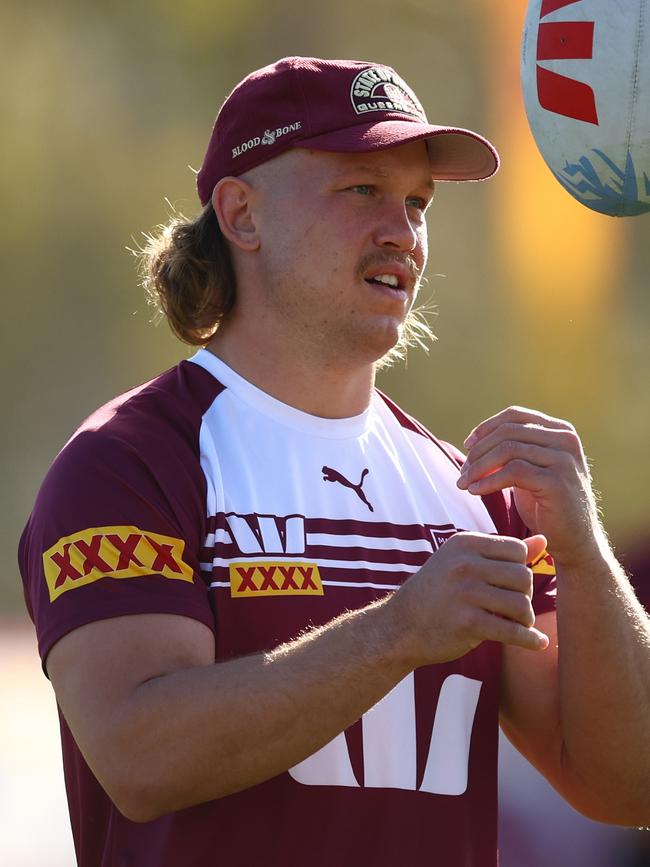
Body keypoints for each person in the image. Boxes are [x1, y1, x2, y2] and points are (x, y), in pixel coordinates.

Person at [19, 56, 650, 867]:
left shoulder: (469, 494)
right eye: (362, 190)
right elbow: (141, 755)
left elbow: (627, 787)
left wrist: (585, 551)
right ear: (242, 215)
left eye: (417, 202)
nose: (403, 231)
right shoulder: (126, 464)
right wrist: (397, 630)